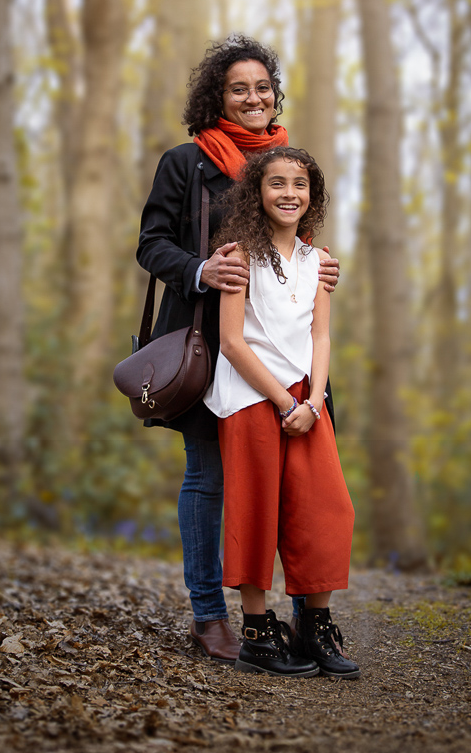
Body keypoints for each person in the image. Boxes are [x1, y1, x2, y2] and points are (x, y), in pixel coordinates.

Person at [135, 35, 340, 664]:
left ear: (275, 93)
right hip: (211, 343)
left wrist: (320, 266)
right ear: (217, 98)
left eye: (261, 87)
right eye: (237, 89)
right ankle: (209, 617)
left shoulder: (286, 162)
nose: (253, 98)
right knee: (209, 478)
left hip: (284, 348)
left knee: (304, 480)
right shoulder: (186, 162)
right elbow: (151, 244)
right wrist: (202, 271)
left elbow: (295, 242)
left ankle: (311, 619)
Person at [203, 147, 358, 679]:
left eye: (300, 183)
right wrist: (284, 400)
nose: (289, 193)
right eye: (277, 183)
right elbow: (230, 341)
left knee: (326, 506)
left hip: (306, 401)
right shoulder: (239, 255)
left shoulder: (320, 261)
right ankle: (257, 633)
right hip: (251, 397)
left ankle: (317, 627)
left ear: (312, 194)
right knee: (255, 509)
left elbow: (321, 334)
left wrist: (314, 402)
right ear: (257, 193)